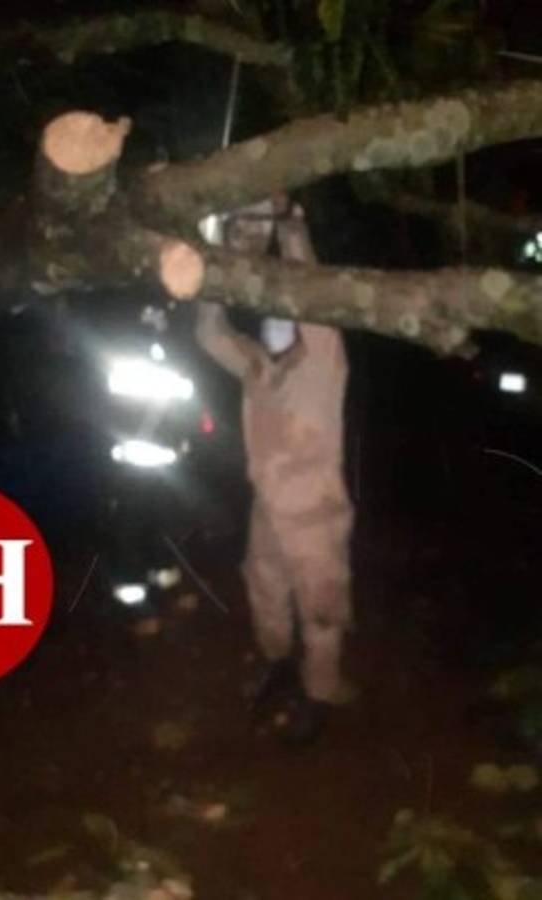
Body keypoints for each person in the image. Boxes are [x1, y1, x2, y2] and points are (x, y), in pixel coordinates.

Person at [194, 198, 355, 744]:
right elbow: (211, 335)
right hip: (267, 506)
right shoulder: (258, 369)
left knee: (321, 609)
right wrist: (212, 267)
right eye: (268, 329)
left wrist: (291, 226)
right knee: (264, 590)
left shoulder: (323, 363)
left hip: (316, 513)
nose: (270, 335)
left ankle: (320, 692)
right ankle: (278, 664)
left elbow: (313, 295)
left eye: (281, 326)